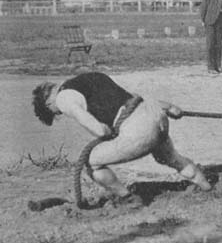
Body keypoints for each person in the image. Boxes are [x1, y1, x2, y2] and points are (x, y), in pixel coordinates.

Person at [31, 72, 212, 208]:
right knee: (172, 158)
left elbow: (98, 129)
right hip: (153, 113)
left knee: (91, 163)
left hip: (137, 128)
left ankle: (128, 198)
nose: (59, 113)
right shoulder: (91, 77)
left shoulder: (63, 98)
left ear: (48, 103)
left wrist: (106, 134)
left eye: (55, 113)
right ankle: (204, 185)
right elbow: (130, 98)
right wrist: (170, 106)